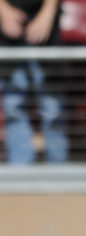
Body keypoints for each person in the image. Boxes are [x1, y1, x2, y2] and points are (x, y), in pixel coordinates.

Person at [0, 0, 68, 163]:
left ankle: (60, 175)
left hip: (46, 30)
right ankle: (20, 176)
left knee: (52, 109)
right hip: (7, 31)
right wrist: (3, 10)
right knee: (13, 107)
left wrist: (47, 13)